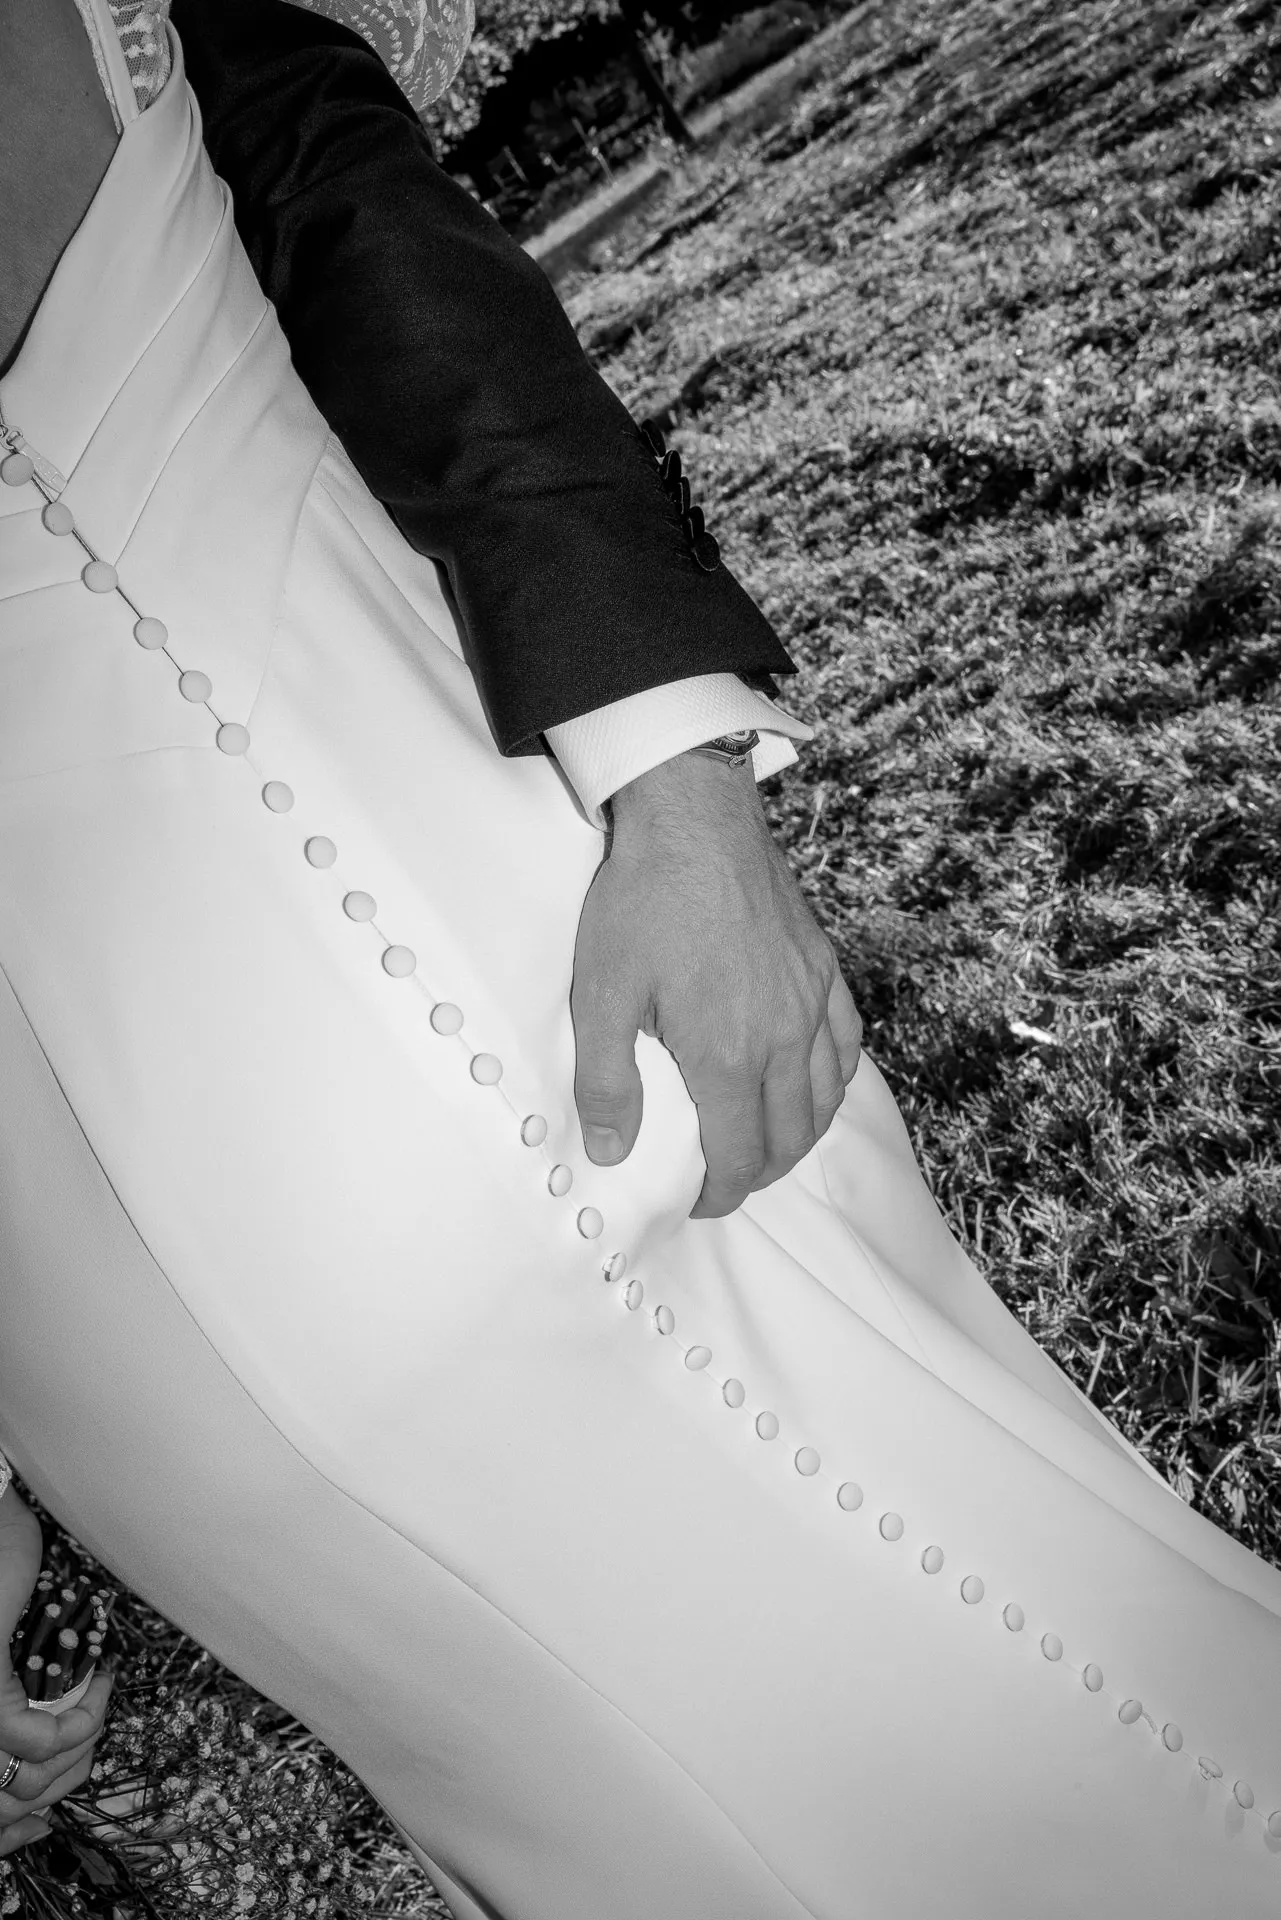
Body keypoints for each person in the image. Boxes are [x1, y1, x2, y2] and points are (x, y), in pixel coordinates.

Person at [2, 4, 1281, 1915]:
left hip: (361, 1134)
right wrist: (674, 780)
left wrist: (679, 781)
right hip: (416, 1042)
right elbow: (344, 202)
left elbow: (342, 206)